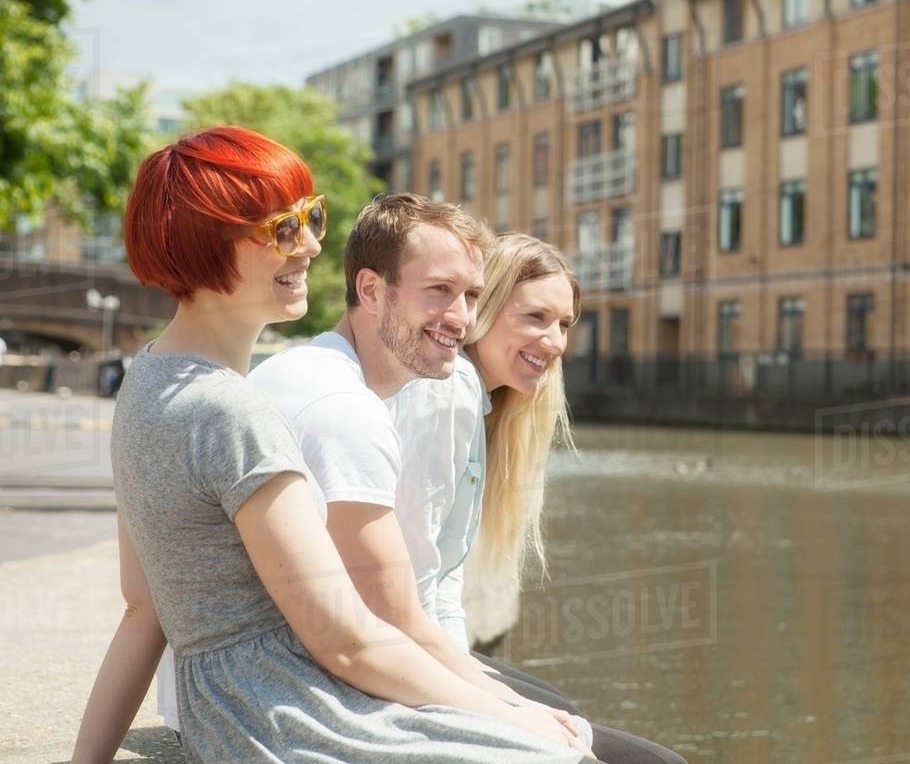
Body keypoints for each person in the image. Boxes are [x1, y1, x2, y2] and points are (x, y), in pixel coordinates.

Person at [72, 128, 595, 764]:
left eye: (310, 217)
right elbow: (346, 640)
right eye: (283, 229)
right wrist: (516, 721)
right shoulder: (237, 413)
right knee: (562, 751)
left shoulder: (146, 382)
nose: (314, 243)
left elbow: (141, 608)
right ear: (208, 245)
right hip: (290, 711)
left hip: (226, 708)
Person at [391, 232, 688, 764]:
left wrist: (482, 690)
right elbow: (411, 589)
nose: (554, 342)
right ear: (481, 308)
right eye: (535, 317)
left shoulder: (476, 402)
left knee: (558, 706)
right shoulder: (449, 389)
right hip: (393, 662)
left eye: (565, 324)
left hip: (422, 653)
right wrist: (484, 705)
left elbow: (442, 583)